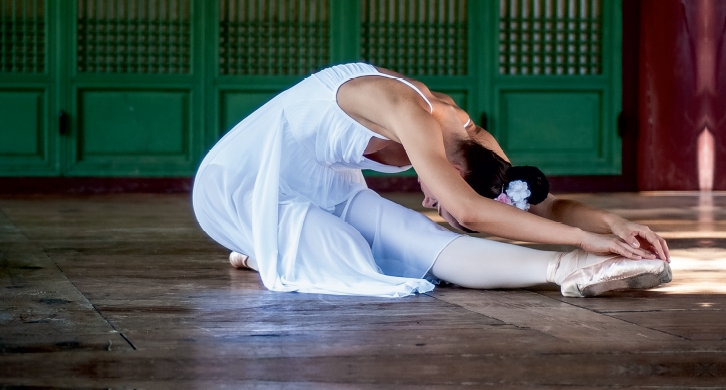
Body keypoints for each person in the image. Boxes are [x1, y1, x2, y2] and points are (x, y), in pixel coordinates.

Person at [192, 62, 671, 298]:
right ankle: (260, 250)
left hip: (324, 181)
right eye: (445, 186)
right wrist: (587, 237)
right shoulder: (411, 113)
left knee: (416, 235)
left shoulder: (471, 138)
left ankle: (566, 270)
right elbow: (466, 208)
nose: (437, 196)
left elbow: (535, 202)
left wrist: (610, 225)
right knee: (342, 252)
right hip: (238, 183)